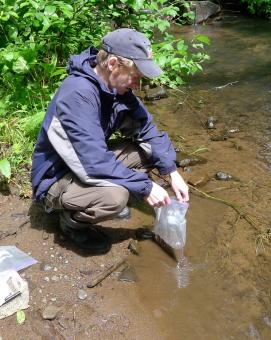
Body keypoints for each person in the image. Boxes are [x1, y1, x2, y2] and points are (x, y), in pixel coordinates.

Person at [31, 28, 189, 253]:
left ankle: (94, 197)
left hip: (85, 161)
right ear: (113, 64)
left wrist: (172, 172)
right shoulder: (78, 94)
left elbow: (147, 129)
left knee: (146, 152)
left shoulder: (116, 89)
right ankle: (71, 222)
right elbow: (94, 163)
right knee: (116, 197)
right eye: (135, 77)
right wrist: (145, 187)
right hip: (55, 177)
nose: (137, 85)